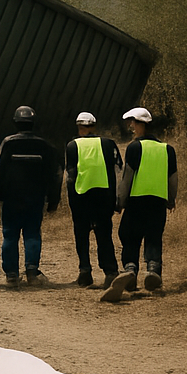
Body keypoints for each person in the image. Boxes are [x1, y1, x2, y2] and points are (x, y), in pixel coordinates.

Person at [101, 108, 178, 302]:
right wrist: (170, 199)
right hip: (158, 202)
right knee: (153, 236)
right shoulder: (167, 149)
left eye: (132, 123)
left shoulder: (135, 148)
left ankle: (130, 270)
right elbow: (173, 179)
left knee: (128, 235)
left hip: (137, 201)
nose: (131, 127)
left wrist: (120, 201)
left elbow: (127, 177)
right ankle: (153, 270)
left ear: (141, 124)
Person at [0, 105, 62, 287]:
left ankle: (12, 275)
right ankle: (32, 272)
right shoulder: (44, 145)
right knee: (32, 234)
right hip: (35, 198)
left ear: (15, 122)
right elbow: (54, 174)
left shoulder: (8, 143)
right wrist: (53, 199)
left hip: (12, 198)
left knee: (10, 236)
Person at [65, 112, 122, 288]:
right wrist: (117, 199)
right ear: (94, 126)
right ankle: (111, 272)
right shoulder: (108, 144)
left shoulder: (72, 145)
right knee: (104, 235)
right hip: (104, 198)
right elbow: (119, 169)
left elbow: (70, 175)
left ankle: (85, 273)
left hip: (81, 197)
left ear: (79, 127)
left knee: (81, 235)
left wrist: (71, 201)